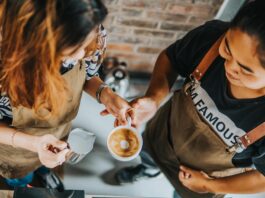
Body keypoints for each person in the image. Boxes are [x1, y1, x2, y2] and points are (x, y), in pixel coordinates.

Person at [115, 0, 265, 197]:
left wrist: (208, 185)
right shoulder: (210, 38)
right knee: (148, 154)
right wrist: (154, 97)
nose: (229, 67)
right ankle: (150, 169)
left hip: (203, 177)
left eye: (245, 69)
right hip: (163, 135)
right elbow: (171, 59)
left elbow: (261, 179)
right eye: (227, 49)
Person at [0, 0, 131, 189]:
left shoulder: (88, 26)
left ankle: (45, 173)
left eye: (85, 45)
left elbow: (88, 73)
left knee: (47, 166)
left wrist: (105, 94)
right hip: (15, 148)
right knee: (21, 179)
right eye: (70, 51)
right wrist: (35, 144)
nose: (80, 56)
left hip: (59, 131)